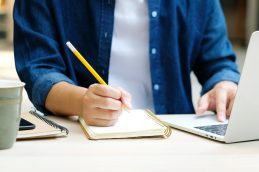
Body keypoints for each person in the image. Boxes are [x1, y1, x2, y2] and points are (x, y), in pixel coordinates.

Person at [13, 0, 240, 127]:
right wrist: (82, 102)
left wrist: (225, 86)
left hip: (174, 135)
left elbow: (219, 62)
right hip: (82, 135)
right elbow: (40, 72)